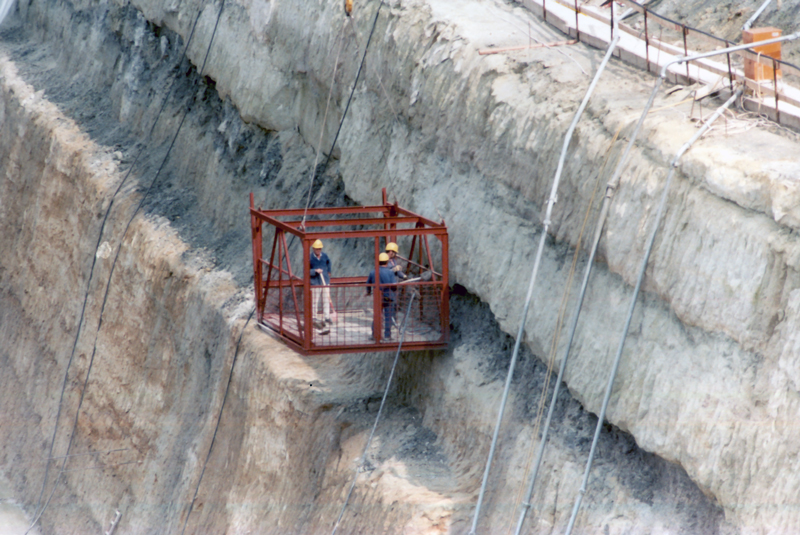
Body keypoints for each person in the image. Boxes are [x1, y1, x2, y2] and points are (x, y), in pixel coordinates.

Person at [366, 252, 397, 340]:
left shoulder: (373, 272)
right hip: (388, 297)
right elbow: (394, 285)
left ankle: (374, 335)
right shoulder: (390, 273)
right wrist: (394, 290)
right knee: (388, 316)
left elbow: (368, 284)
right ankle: (387, 335)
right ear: (387, 262)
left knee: (377, 316)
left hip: (378, 298)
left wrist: (368, 292)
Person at [309, 239, 332, 325]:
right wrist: (315, 271)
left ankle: (327, 316)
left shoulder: (325, 256)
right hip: (315, 282)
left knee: (326, 299)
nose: (318, 250)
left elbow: (329, 262)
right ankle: (314, 317)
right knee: (315, 301)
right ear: (313, 249)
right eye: (317, 249)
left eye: (320, 249)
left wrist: (329, 271)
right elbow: (306, 271)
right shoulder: (310, 258)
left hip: (325, 281)